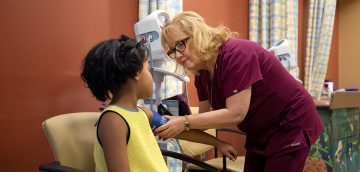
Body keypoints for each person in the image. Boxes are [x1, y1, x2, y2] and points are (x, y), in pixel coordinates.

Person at [155, 11, 324, 172]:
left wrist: (183, 122)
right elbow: (202, 124)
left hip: (291, 124)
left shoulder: (236, 54)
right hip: (259, 132)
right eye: (172, 51)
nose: (177, 55)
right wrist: (173, 127)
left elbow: (236, 114)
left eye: (180, 45)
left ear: (198, 34)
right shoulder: (201, 75)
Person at [80, 35, 238, 172]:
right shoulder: (114, 120)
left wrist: (218, 143)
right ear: (135, 73)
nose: (151, 75)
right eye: (148, 70)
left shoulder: (142, 114)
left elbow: (177, 129)